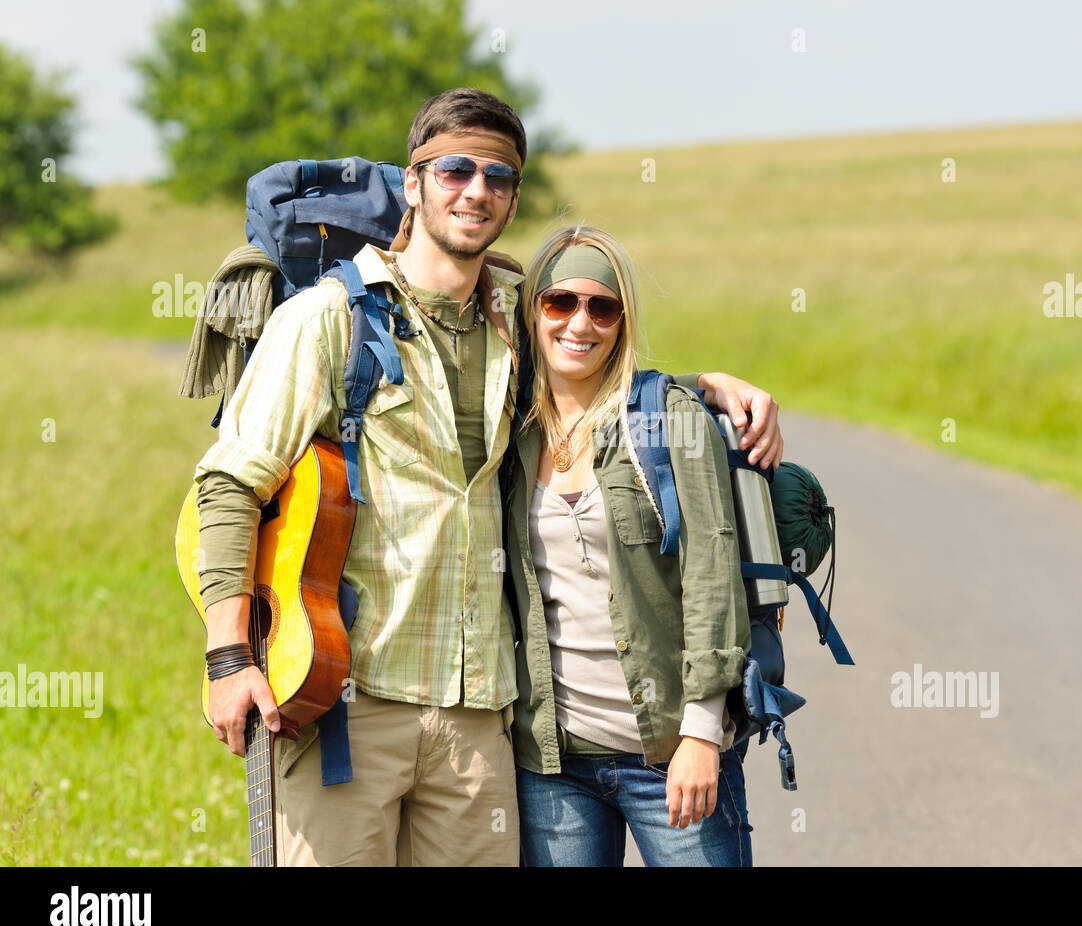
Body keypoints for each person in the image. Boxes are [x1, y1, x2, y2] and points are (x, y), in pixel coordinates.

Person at [191, 88, 784, 866]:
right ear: (415, 182)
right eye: (456, 169)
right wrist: (229, 661)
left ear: (512, 199)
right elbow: (230, 484)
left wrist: (700, 389)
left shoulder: (511, 319)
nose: (476, 190)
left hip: (480, 721)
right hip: (349, 700)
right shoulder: (328, 319)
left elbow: (593, 364)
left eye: (498, 177)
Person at [506, 226, 763, 866]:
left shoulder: (668, 419)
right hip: (552, 762)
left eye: (603, 307)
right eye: (560, 302)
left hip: (673, 753)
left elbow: (712, 575)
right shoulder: (508, 427)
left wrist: (703, 733)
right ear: (533, 308)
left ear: (621, 321)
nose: (580, 324)